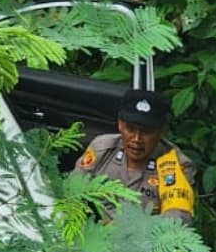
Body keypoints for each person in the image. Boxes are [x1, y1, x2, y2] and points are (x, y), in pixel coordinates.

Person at [72, 89, 196, 224]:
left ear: (161, 131)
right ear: (120, 124)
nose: (137, 139)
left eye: (146, 132)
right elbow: (72, 191)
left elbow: (177, 218)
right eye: (130, 129)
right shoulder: (102, 148)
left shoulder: (174, 164)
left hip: (144, 241)